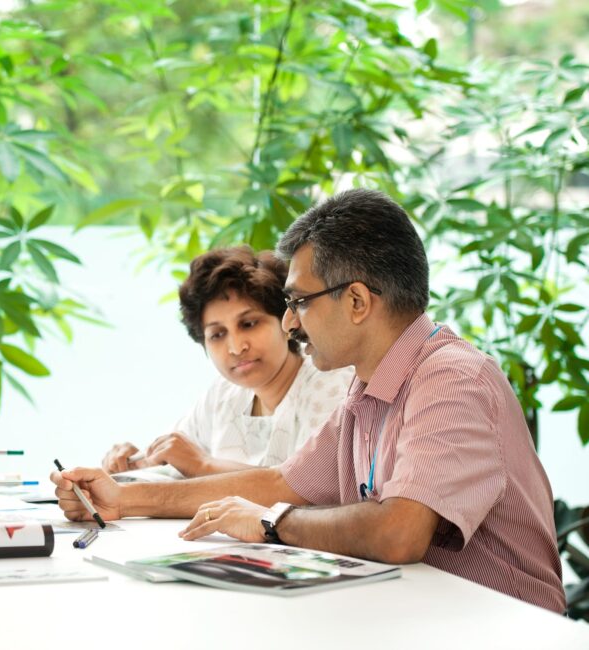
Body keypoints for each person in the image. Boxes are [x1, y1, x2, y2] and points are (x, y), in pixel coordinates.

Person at [51, 189, 565, 613]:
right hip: (423, 613)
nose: (290, 322)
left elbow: (398, 532)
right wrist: (122, 498)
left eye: (297, 302)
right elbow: (280, 481)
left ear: (359, 301)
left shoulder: (453, 378)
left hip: (504, 626)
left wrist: (272, 523)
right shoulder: (366, 389)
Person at [102, 247, 352, 477]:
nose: (236, 347)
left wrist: (203, 466)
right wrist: (133, 460)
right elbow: (172, 457)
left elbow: (310, 488)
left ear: (286, 321)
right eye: (217, 334)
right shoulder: (222, 396)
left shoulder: (330, 384)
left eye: (249, 324)